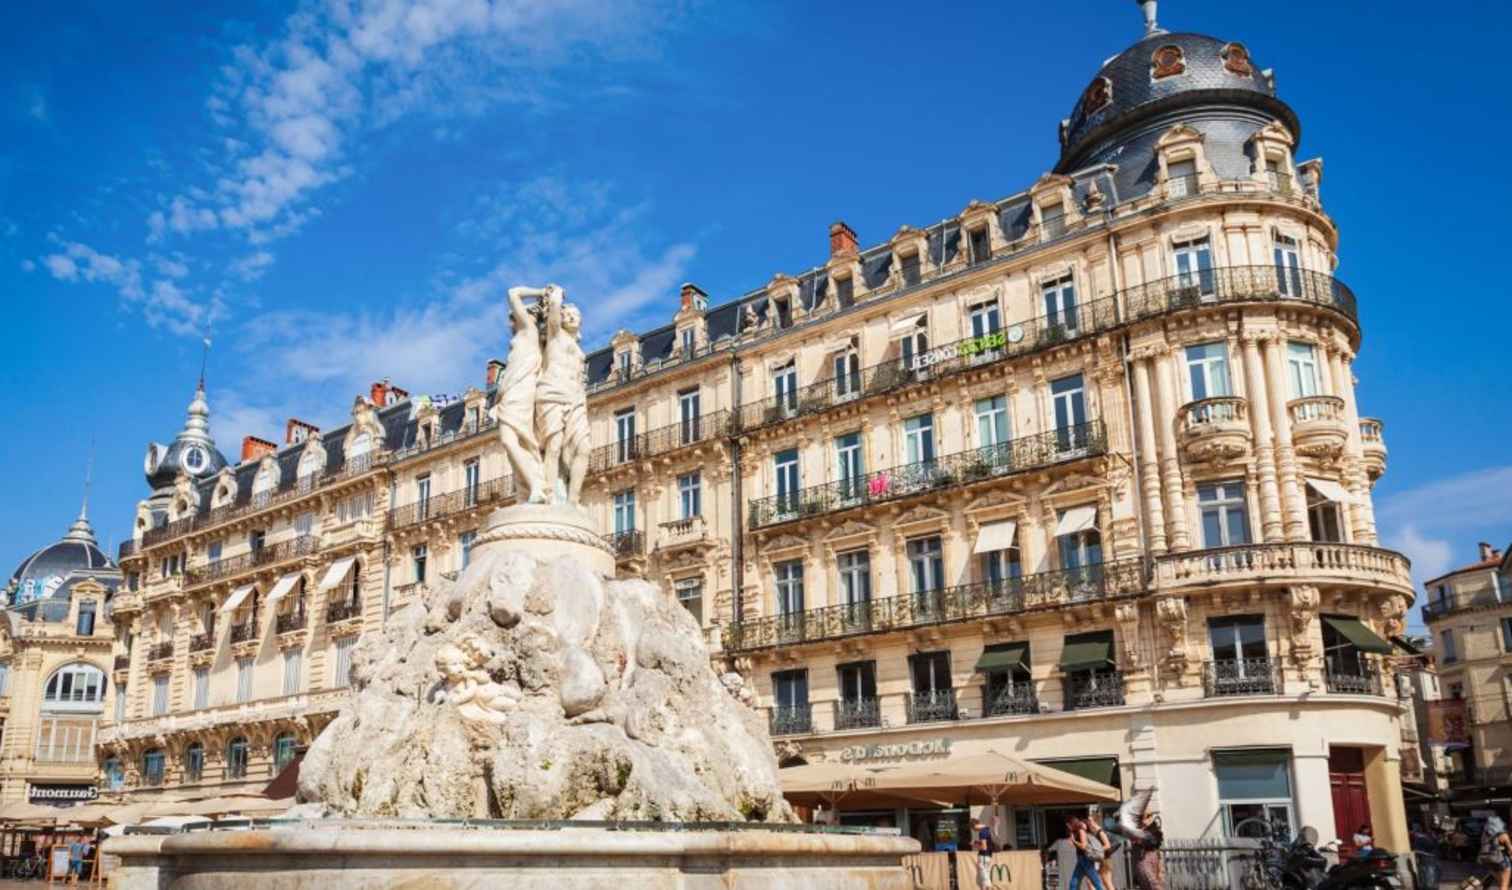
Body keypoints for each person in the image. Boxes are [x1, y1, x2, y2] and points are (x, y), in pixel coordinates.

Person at [1068, 816, 1108, 890]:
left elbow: (1084, 846)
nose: (1068, 827)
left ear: (1072, 824)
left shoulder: (1081, 831)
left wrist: (1074, 842)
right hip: (1081, 859)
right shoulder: (1075, 832)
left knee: (1095, 881)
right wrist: (1072, 839)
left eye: (1068, 825)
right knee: (1074, 882)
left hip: (1086, 859)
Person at [1130, 807, 1165, 890]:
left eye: (1149, 816)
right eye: (1144, 816)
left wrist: (1160, 867)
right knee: (1153, 885)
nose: (1147, 819)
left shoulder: (1154, 829)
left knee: (1155, 884)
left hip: (1153, 859)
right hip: (1143, 860)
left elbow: (1156, 847)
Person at [1478, 817, 1512, 890]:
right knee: (1504, 885)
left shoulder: (1485, 835)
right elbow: (1510, 850)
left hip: (1488, 860)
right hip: (1501, 860)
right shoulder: (1503, 835)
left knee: (1501, 884)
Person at [1411, 822, 1440, 890]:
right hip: (1427, 859)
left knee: (1428, 875)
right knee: (1427, 875)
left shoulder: (1421, 838)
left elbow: (1431, 847)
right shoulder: (1423, 837)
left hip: (1428, 859)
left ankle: (1430, 886)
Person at [972, 817, 995, 890]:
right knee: (984, 879)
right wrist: (977, 842)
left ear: (974, 825)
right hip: (988, 856)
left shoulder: (982, 832)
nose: (974, 830)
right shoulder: (987, 829)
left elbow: (984, 847)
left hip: (984, 856)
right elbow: (986, 844)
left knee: (985, 880)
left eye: (973, 828)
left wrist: (974, 845)